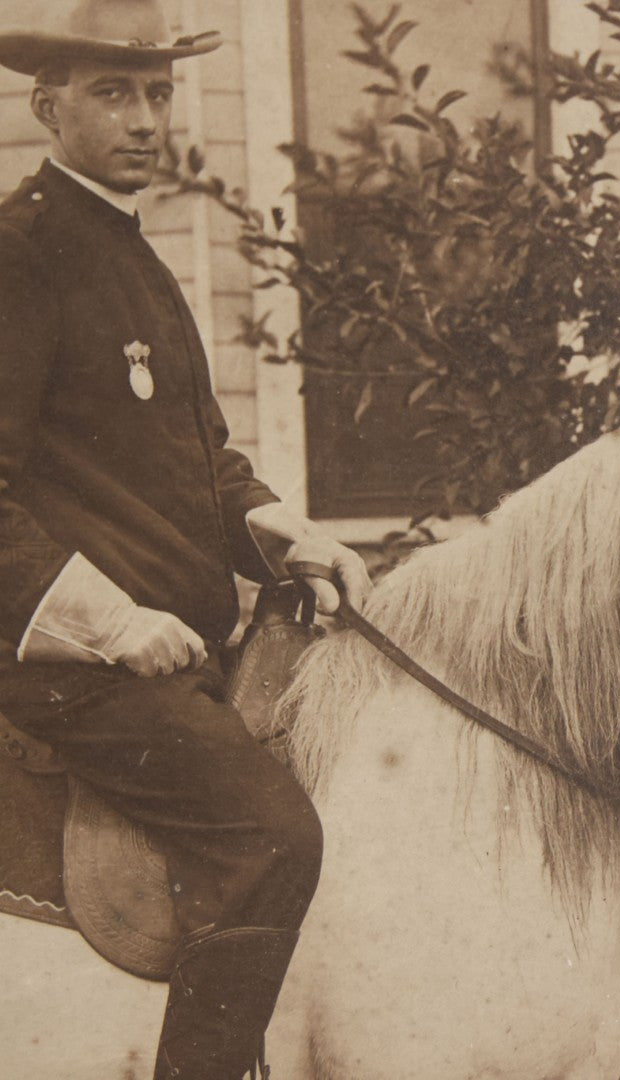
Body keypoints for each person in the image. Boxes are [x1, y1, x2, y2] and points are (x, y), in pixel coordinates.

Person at [0, 2, 373, 1076]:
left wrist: (286, 540)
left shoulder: (139, 257)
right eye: (113, 92)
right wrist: (112, 625)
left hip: (171, 650)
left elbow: (204, 463)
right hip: (72, 668)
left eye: (158, 92)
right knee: (275, 837)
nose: (145, 118)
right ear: (47, 105)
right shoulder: (20, 257)